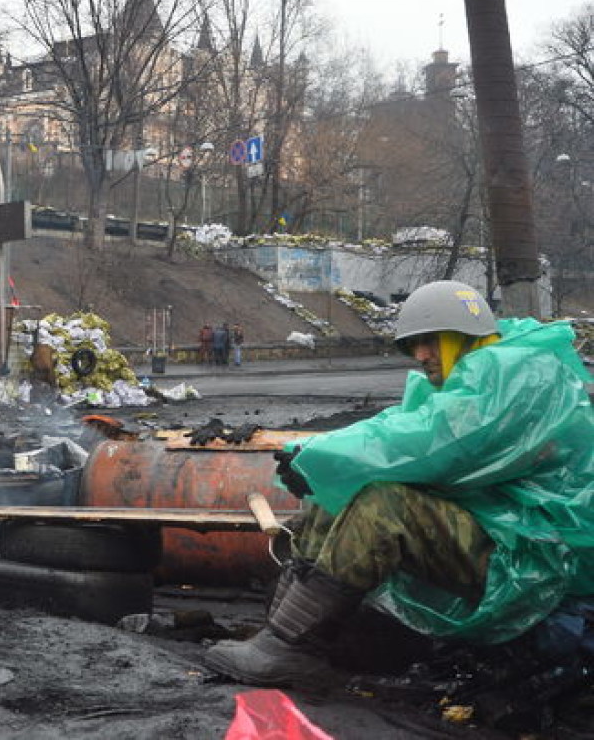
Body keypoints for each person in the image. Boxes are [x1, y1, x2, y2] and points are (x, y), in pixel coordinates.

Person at [205, 280, 594, 686]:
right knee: (339, 492)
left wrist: (324, 454)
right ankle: (287, 637)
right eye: (413, 346)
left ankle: (289, 648)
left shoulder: (518, 374)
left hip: (542, 554)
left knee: (384, 506)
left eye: (428, 341)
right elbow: (402, 423)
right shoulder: (486, 372)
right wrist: (321, 456)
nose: (420, 355)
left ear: (461, 334)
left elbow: (439, 439)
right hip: (508, 532)